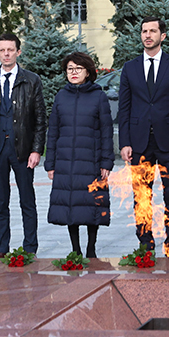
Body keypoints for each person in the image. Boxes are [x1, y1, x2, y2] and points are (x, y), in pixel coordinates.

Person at [119, 17, 169, 251]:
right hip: (139, 142)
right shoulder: (130, 68)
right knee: (141, 194)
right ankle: (145, 241)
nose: (147, 35)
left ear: (163, 36)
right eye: (144, 31)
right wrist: (124, 142)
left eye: (153, 31)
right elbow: (124, 107)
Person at [0, 33, 47, 258]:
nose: (6, 54)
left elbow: (40, 119)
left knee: (27, 200)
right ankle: (1, 249)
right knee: (0, 203)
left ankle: (30, 248)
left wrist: (37, 150)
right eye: (2, 50)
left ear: (18, 51)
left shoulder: (31, 80)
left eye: (10, 49)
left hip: (23, 150)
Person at [45, 52, 114, 258]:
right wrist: (50, 163)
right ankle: (75, 249)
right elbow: (53, 131)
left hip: (91, 161)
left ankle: (91, 249)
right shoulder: (61, 96)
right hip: (66, 161)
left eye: (78, 69)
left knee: (92, 204)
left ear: (88, 72)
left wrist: (106, 162)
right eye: (70, 69)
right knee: (71, 206)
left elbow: (106, 132)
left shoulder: (99, 96)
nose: (73, 73)